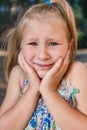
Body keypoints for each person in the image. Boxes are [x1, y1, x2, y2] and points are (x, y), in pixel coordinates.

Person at [0, 0, 87, 129]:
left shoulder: (75, 72)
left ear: (69, 47)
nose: (42, 55)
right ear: (21, 46)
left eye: (52, 43)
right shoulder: (18, 74)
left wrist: (49, 91)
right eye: (33, 43)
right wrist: (32, 89)